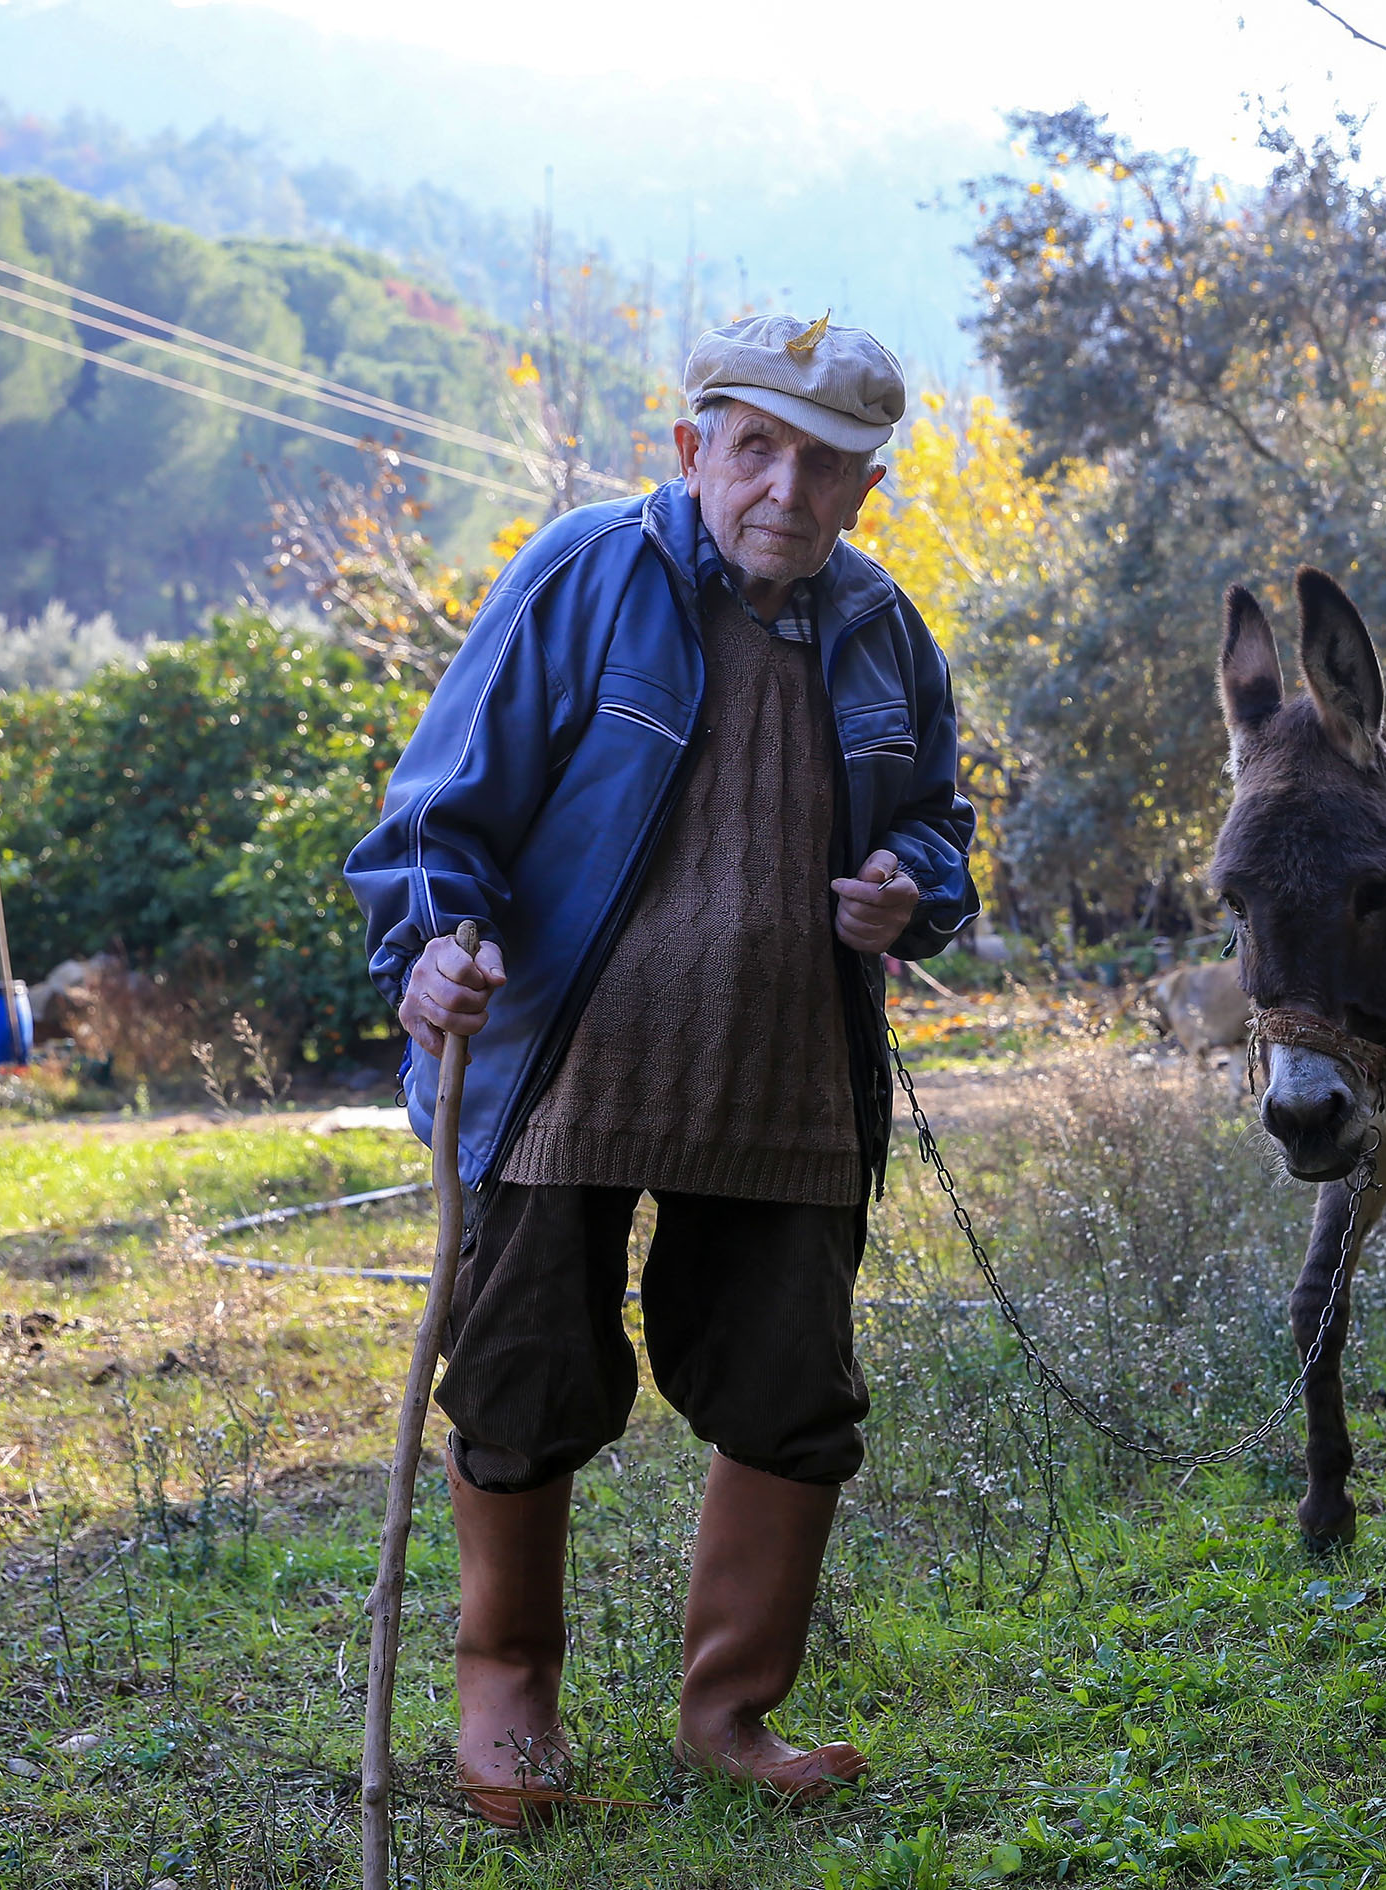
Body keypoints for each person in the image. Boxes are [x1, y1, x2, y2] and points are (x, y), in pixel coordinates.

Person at [343, 312, 974, 1823]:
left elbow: (944, 830)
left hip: (783, 1080)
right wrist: (437, 943)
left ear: (863, 492)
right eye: (756, 449)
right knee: (521, 1378)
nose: (787, 492)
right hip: (562, 1073)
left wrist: (913, 884)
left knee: (790, 1390)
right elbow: (436, 819)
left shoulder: (883, 628)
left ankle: (732, 1712)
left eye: (828, 469)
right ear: (693, 451)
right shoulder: (583, 574)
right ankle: (507, 1709)